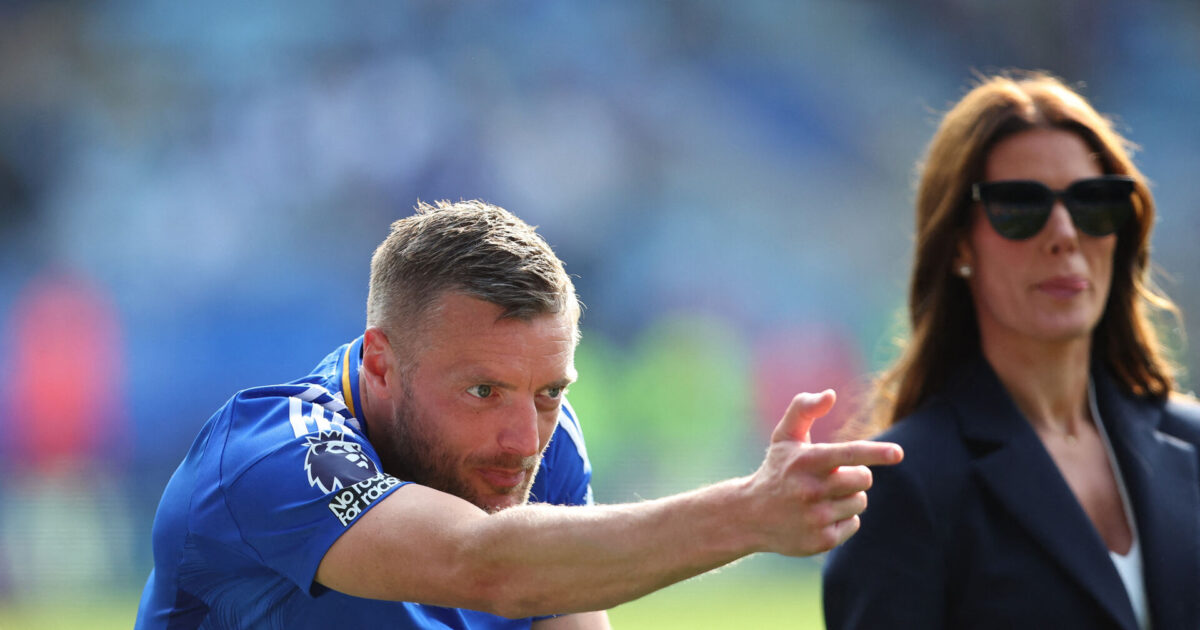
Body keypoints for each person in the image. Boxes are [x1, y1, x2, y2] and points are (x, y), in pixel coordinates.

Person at [136, 199, 903, 629]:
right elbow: (490, 566)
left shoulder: (537, 443)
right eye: (483, 391)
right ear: (379, 361)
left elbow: (559, 607)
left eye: (550, 393)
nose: (524, 439)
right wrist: (747, 514)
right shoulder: (275, 454)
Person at [822, 71, 1200, 630]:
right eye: (1020, 206)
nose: (1065, 234)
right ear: (957, 245)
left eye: (1094, 202)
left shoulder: (1191, 444)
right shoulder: (905, 487)